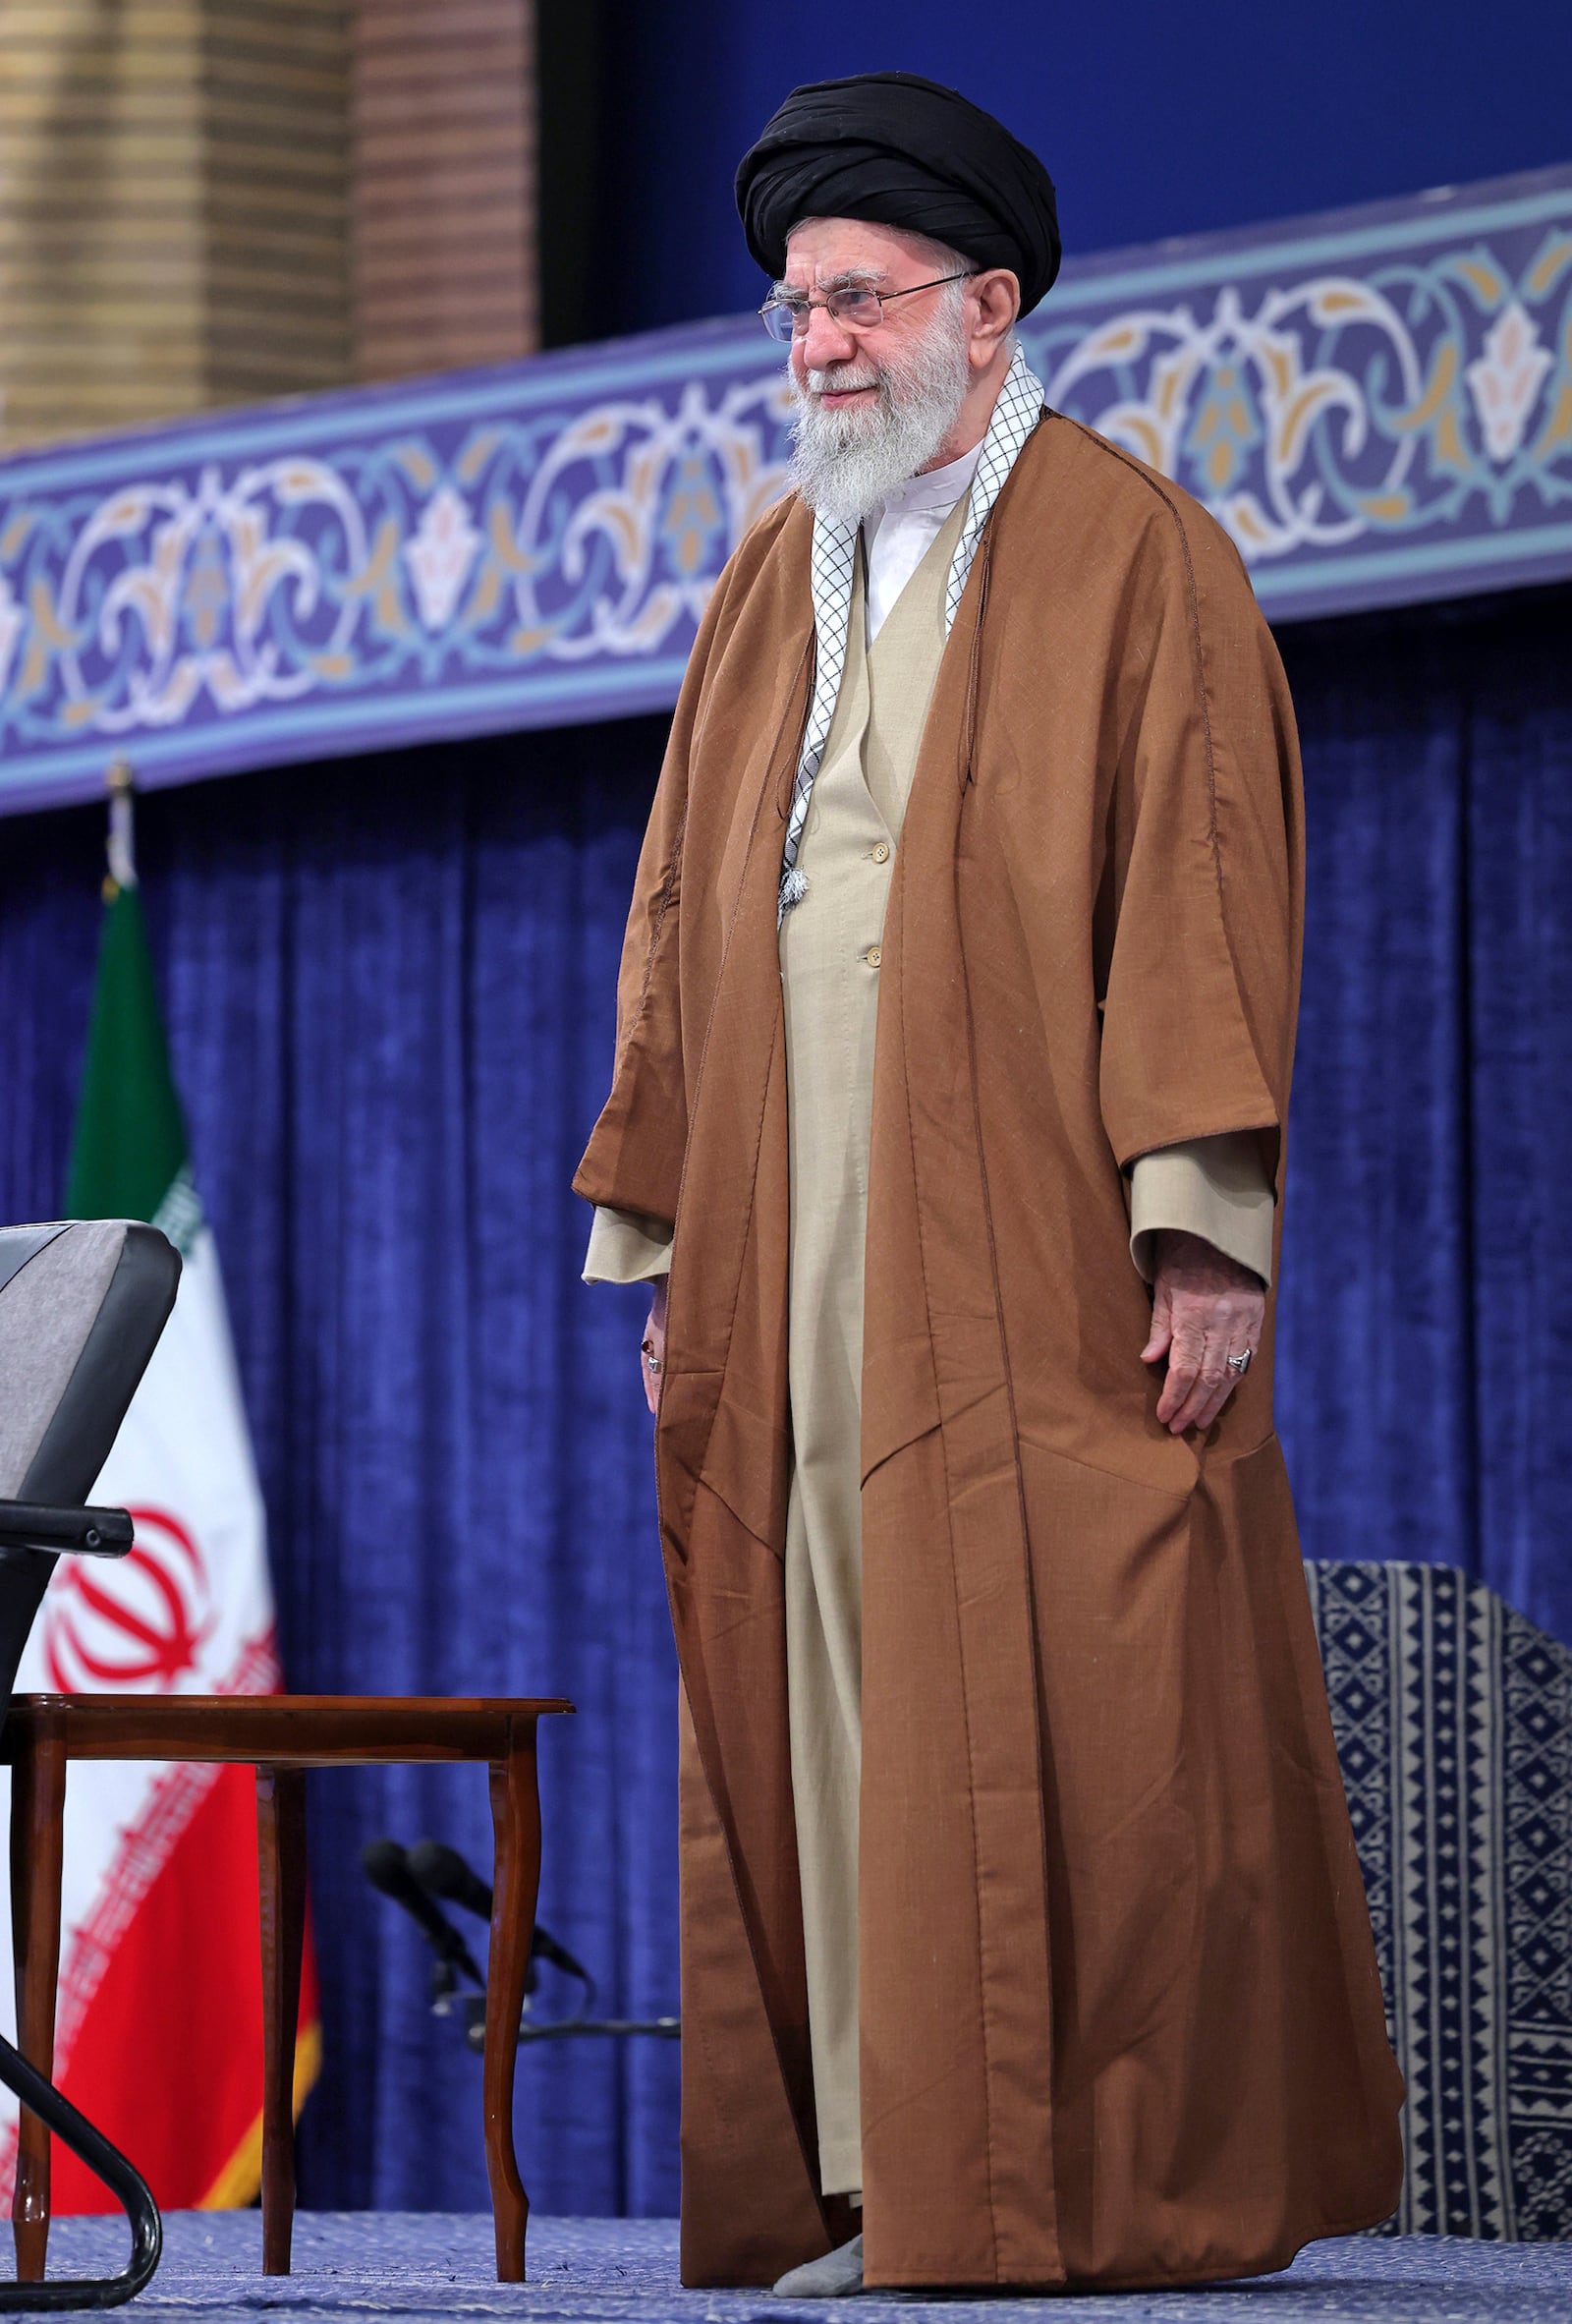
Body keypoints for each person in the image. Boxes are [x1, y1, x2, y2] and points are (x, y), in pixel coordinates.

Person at [577, 70, 1403, 2296]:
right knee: (825, 1669)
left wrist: (1199, 1224)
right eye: (790, 308)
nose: (815, 346)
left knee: (1081, 1698)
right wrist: (663, 1235)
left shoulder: (1134, 553)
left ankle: (1086, 2184)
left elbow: (1204, 893)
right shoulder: (774, 569)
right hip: (792, 1225)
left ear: (988, 307)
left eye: (854, 300)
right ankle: (879, 2174)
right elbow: (681, 906)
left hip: (1033, 1225)